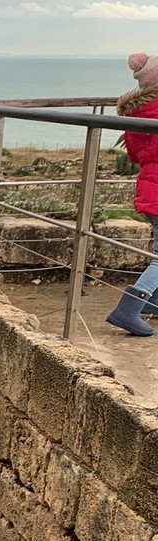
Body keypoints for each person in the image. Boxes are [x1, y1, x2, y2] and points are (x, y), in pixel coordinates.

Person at [108, 53, 158, 336]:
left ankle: (153, 302)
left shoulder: (138, 112)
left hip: (149, 187)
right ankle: (127, 310)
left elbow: (136, 155)